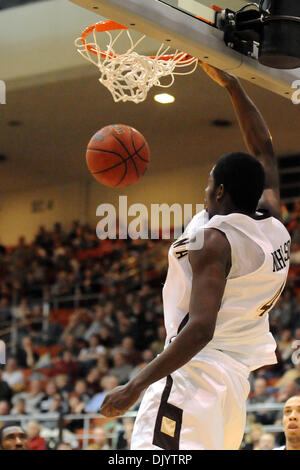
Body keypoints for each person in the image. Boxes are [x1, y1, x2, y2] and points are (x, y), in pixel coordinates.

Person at [100, 62, 291, 450]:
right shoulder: (273, 221)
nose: (204, 191)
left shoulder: (215, 241)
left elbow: (201, 329)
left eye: (208, 184)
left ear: (220, 192)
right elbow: (264, 151)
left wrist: (135, 386)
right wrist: (232, 85)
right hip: (233, 385)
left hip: (192, 375)